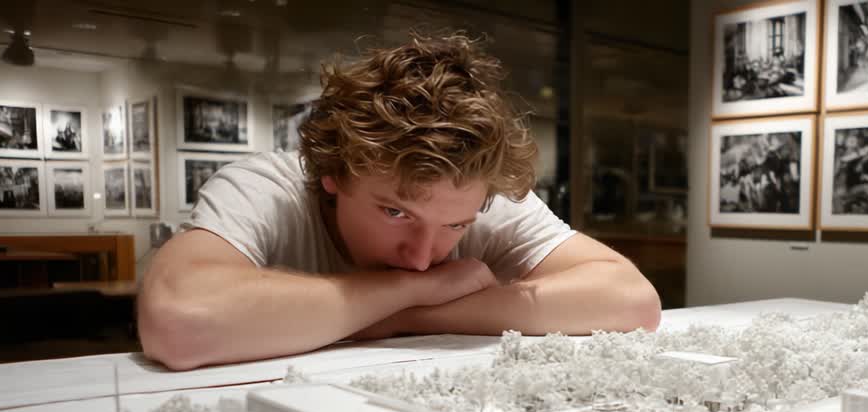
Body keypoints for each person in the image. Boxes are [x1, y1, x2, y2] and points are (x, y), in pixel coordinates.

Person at [139, 32, 661, 371]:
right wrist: (432, 287)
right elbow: (180, 321)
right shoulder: (263, 188)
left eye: (455, 227)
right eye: (395, 212)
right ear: (332, 174)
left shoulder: (473, 191)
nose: (420, 255)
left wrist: (403, 315)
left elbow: (631, 301)